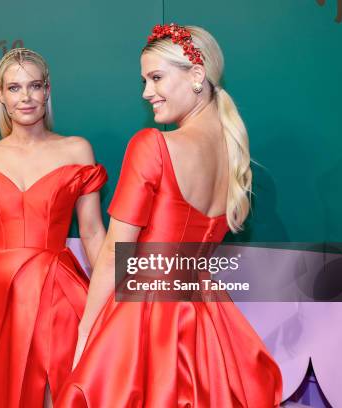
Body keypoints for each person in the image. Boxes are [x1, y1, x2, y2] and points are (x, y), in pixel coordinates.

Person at [57, 24, 283, 407]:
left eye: (156, 77)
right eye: (145, 80)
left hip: (145, 316)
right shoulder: (233, 156)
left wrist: (85, 332)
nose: (147, 93)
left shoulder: (153, 146)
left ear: (196, 76)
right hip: (206, 318)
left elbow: (115, 253)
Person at [0, 48, 108, 408]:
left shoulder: (77, 150)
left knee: (61, 390)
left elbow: (94, 232)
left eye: (34, 86)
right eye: (15, 88)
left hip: (59, 290)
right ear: (1, 96)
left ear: (47, 90)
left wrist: (114, 294)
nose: (26, 97)